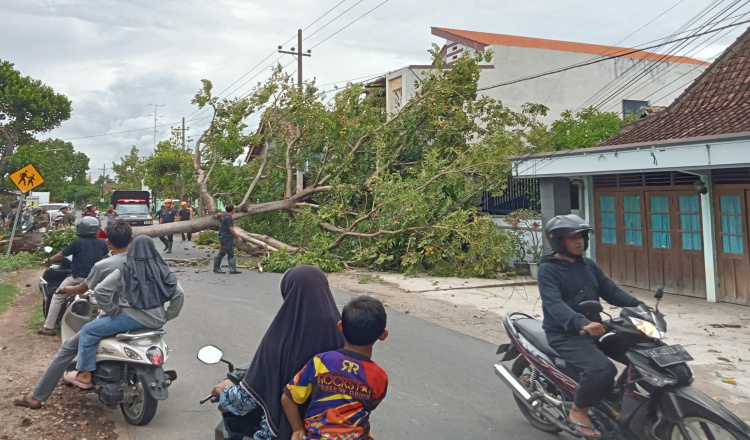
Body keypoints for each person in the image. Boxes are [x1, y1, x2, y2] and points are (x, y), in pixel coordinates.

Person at [537, 214, 646, 437]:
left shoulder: (587, 265)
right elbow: (554, 304)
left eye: (582, 237)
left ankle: (617, 399)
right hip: (565, 334)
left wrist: (641, 308)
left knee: (643, 354)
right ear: (559, 241)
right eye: (572, 237)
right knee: (602, 369)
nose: (580, 242)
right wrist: (582, 322)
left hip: (597, 328)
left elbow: (611, 291)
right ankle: (579, 410)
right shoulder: (549, 269)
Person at [210, 265, 345, 439]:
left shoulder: (280, 336)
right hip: (335, 429)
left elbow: (246, 401)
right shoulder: (343, 333)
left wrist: (223, 390)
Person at [13, 220, 133, 409]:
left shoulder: (101, 263)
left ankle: (38, 396)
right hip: (144, 317)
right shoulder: (141, 263)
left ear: (109, 241)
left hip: (100, 302)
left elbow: (87, 288)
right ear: (131, 240)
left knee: (69, 345)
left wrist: (67, 289)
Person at [62, 235, 185, 389]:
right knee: (155, 342)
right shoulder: (163, 271)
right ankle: (156, 369)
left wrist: (112, 310)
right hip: (156, 322)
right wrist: (168, 315)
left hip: (129, 319)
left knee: (88, 331)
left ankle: (85, 374)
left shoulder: (126, 270)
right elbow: (179, 294)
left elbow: (101, 290)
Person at [282, 295, 389, 440]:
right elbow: (368, 407)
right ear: (383, 335)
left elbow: (287, 398)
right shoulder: (379, 376)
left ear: (340, 326)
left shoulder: (321, 362)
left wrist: (298, 430)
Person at [38, 217, 109, 336]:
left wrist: (49, 259)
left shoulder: (78, 242)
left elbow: (61, 255)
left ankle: (48, 328)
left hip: (77, 279)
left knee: (57, 297)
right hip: (95, 280)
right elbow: (104, 257)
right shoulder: (101, 243)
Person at [213, 204, 243, 274]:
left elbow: (221, 225)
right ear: (232, 210)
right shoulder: (228, 218)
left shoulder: (223, 216)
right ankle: (216, 267)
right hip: (226, 237)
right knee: (222, 252)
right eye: (234, 209)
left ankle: (233, 269)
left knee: (231, 252)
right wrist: (238, 237)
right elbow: (230, 228)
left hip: (226, 236)